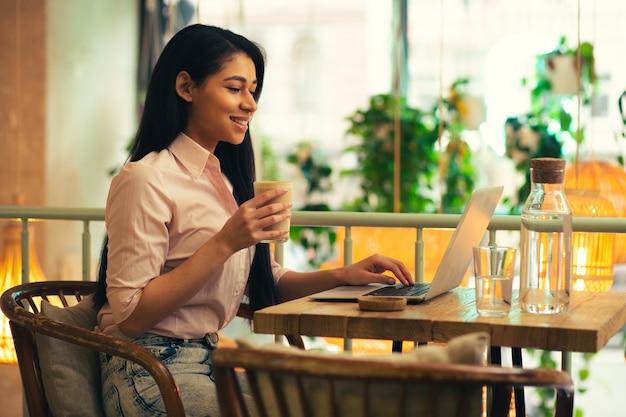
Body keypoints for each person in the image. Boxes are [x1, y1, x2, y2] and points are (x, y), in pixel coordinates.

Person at [94, 24, 413, 417]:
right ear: (186, 87)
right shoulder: (146, 179)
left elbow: (268, 282)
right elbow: (130, 314)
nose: (251, 104)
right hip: (145, 367)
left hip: (208, 361)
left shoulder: (225, 182)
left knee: (324, 405)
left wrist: (342, 276)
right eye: (235, 88)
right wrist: (226, 242)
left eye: (253, 90)